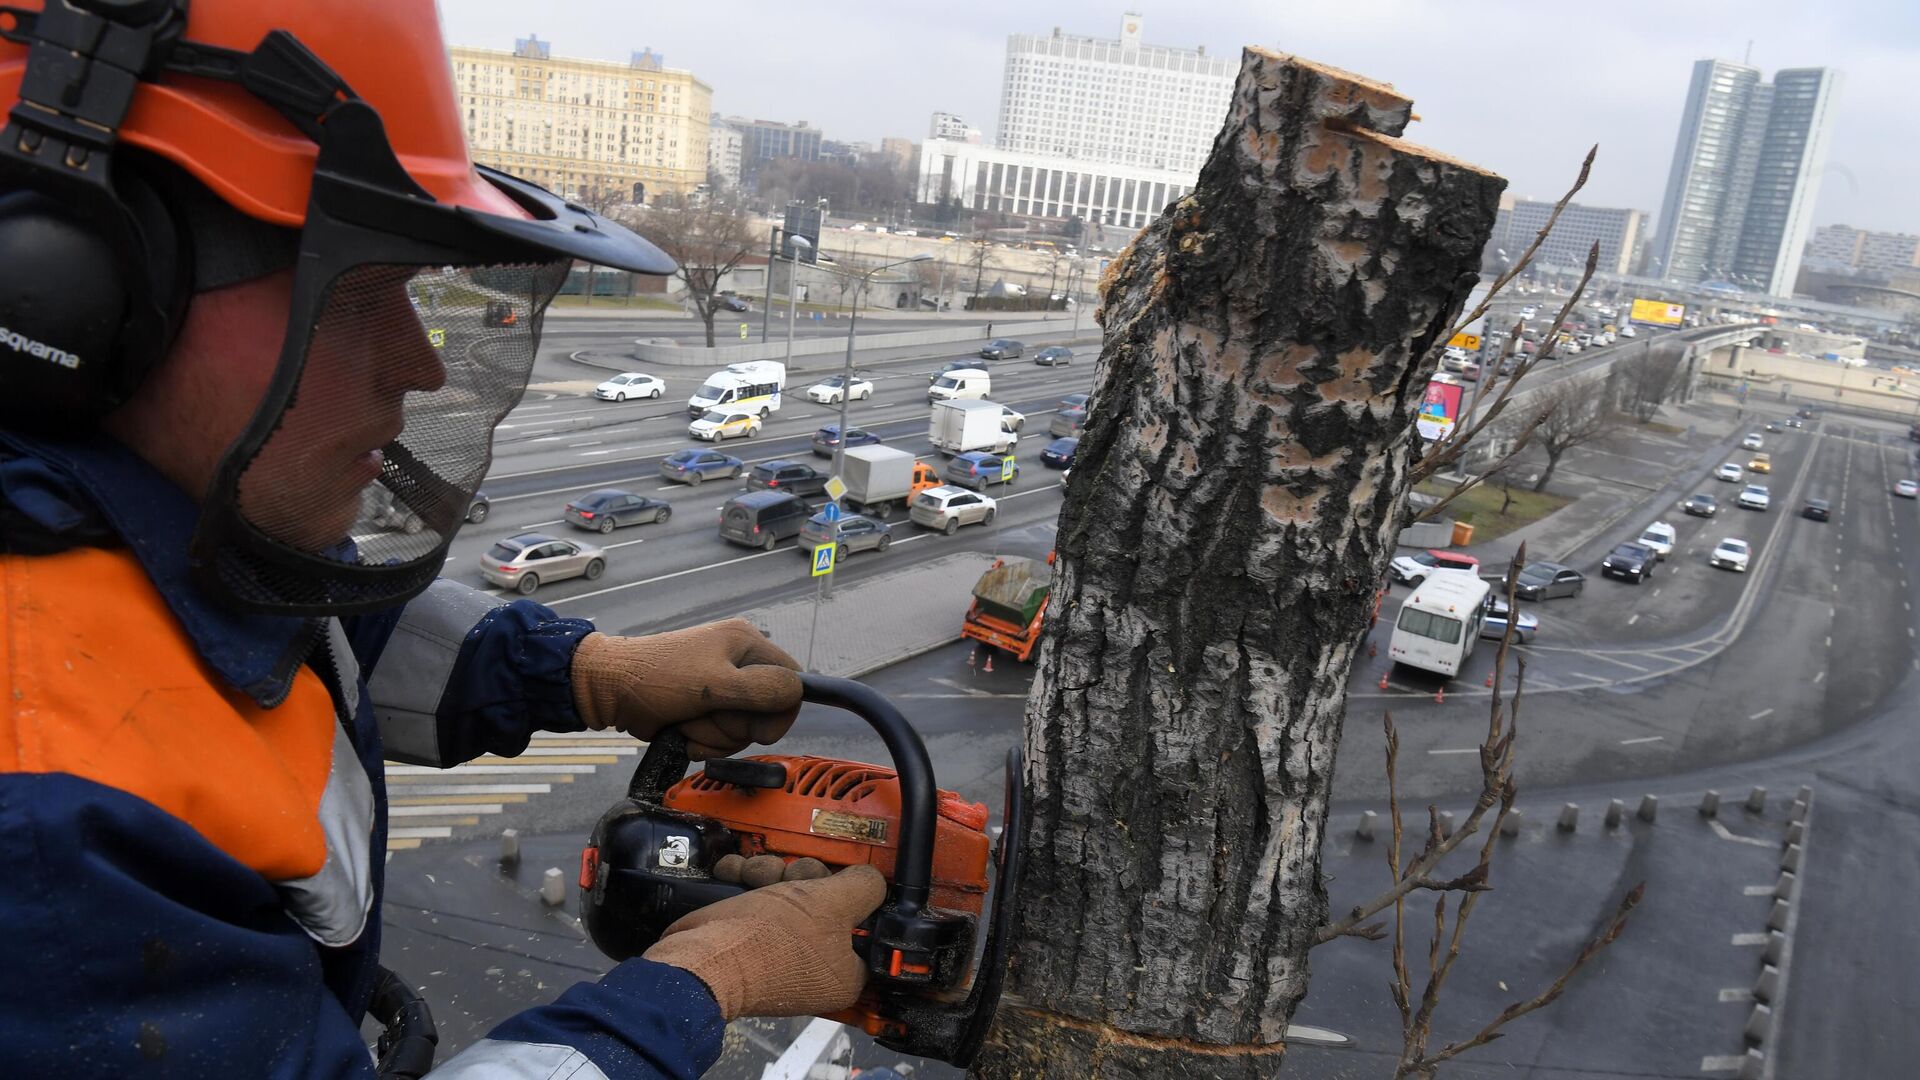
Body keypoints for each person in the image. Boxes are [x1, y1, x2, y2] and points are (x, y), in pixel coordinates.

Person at [0, 2, 883, 1076]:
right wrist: (701, 988)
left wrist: (586, 674)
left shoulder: (114, 528)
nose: (420, 364)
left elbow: (294, 631)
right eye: (357, 295)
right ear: (67, 285)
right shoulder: (43, 833)